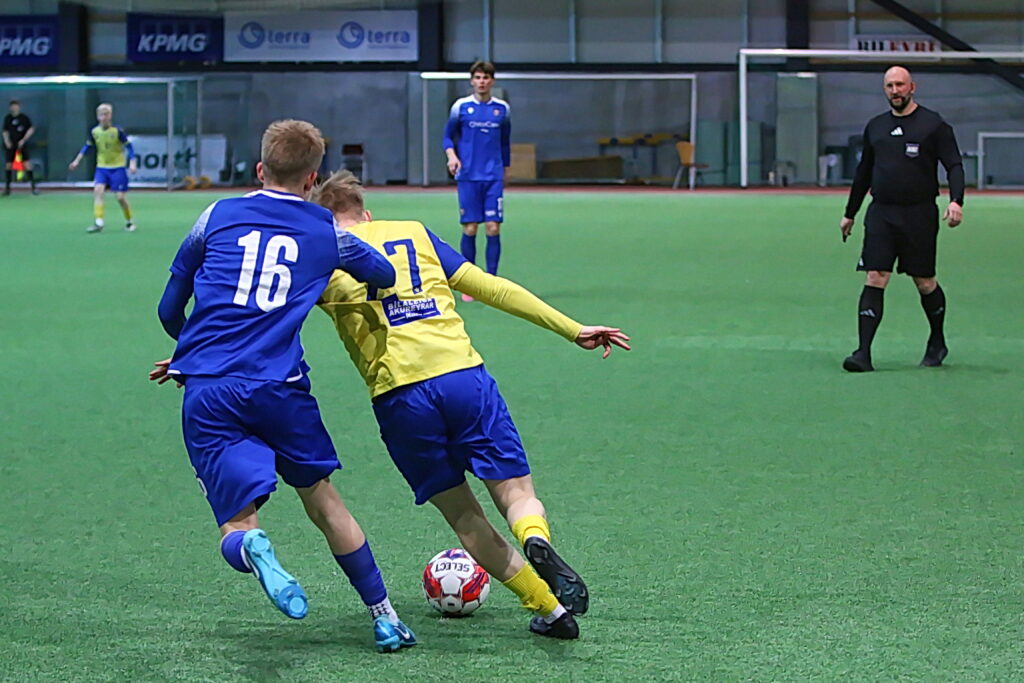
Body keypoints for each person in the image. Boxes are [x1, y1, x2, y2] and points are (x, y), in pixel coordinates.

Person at [309, 170, 631, 640]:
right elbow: (490, 287)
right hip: (462, 378)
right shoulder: (413, 232)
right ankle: (535, 537)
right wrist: (572, 328)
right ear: (367, 213)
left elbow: (275, 319)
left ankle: (549, 609)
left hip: (399, 397)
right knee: (516, 494)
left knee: (464, 516)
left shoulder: (322, 258)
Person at [148, 120, 417, 654]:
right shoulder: (324, 229)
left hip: (209, 390)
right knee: (324, 503)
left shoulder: (215, 215)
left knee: (236, 523)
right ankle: (384, 617)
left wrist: (195, 352)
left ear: (259, 169)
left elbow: (168, 309)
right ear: (312, 178)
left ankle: (252, 545)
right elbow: (383, 273)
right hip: (280, 388)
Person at [839, 65, 964, 372]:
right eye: (889, 86)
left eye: (900, 85)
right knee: (875, 275)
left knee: (924, 281)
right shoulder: (876, 127)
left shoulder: (933, 125)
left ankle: (937, 341)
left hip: (919, 214)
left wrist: (956, 201)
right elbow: (863, 173)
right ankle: (863, 354)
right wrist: (850, 213)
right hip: (882, 213)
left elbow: (954, 165)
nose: (895, 90)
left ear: (912, 87)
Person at [443, 60, 510, 301]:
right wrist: (452, 156)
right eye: (478, 77)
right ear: (472, 81)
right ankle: (470, 283)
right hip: (469, 176)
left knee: (493, 227)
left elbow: (505, 142)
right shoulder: (460, 107)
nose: (482, 82)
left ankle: (491, 282)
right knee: (470, 227)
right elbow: (447, 137)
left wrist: (505, 170)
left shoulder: (502, 109)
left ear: (492, 81)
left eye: (486, 78)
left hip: (493, 177)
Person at [68, 103, 139, 233]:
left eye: (106, 114)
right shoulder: (95, 132)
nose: (104, 117)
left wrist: (132, 162)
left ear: (110, 116)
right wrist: (76, 161)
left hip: (117, 167)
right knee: (98, 191)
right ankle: (99, 222)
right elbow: (87, 147)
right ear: (98, 117)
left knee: (120, 197)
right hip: (102, 167)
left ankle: (129, 221)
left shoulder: (117, 131)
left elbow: (129, 147)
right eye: (101, 115)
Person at [3, 100, 38, 196]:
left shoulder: (24, 118)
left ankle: (33, 188)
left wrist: (23, 140)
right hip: (11, 145)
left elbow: (31, 129)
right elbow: (5, 131)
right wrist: (7, 141)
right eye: (12, 106)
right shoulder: (8, 118)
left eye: (16, 106)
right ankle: (7, 189)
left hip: (22, 145)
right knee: (8, 165)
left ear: (19, 107)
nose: (14, 108)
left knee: (27, 164)